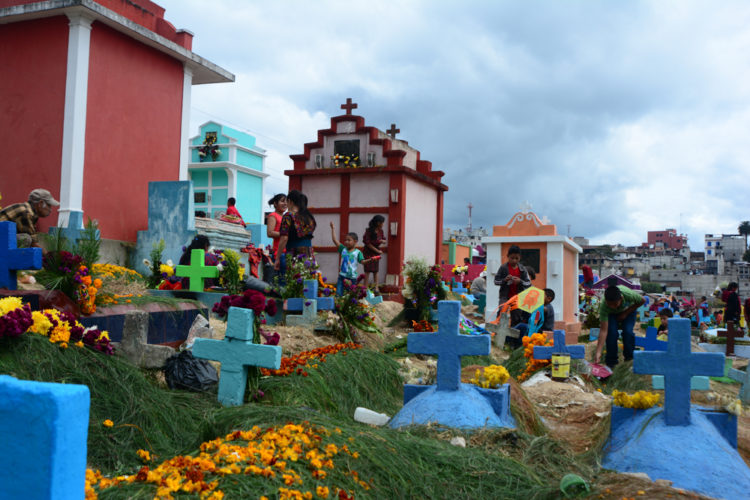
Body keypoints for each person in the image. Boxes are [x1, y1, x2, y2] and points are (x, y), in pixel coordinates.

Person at [594, 285, 645, 369]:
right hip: (612, 315)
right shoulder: (604, 307)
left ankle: (629, 360)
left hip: (629, 311)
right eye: (609, 304)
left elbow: (642, 300)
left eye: (614, 304)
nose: (612, 307)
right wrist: (598, 352)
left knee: (628, 332)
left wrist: (625, 313)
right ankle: (611, 363)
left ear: (621, 298)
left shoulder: (628, 294)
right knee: (611, 333)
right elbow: (603, 331)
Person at [330, 222, 375, 295]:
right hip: (342, 276)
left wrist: (371, 259)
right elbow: (335, 240)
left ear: (355, 241)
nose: (346, 242)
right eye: (345, 240)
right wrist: (333, 229)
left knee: (349, 295)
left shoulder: (358, 252)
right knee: (338, 293)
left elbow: (363, 262)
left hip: (352, 278)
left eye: (349, 240)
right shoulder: (343, 249)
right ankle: (338, 305)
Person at [275, 190, 316, 270]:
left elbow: (284, 238)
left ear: (290, 201)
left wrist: (277, 258)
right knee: (308, 278)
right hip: (309, 252)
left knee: (295, 279)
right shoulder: (309, 217)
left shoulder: (288, 216)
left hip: (295, 253)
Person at [493, 244, 532, 330]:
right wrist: (504, 280)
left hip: (517, 297)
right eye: (512, 258)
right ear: (507, 256)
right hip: (505, 296)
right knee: (502, 311)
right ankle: (498, 331)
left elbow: (528, 283)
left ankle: (513, 336)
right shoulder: (503, 268)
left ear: (520, 258)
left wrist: (520, 281)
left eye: (516, 258)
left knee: (517, 315)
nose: (514, 260)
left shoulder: (522, 269)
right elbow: (496, 281)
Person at [265, 194, 287, 281]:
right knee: (281, 280)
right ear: (275, 204)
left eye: (286, 201)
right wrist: (285, 234)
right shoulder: (273, 215)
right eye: (282, 201)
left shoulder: (285, 217)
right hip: (279, 253)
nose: (285, 203)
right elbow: (270, 233)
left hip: (287, 252)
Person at [362, 215, 386, 292]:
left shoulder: (381, 231)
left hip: (376, 252)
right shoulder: (368, 231)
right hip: (368, 251)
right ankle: (364, 288)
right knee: (367, 270)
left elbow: (383, 239)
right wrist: (377, 251)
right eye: (382, 223)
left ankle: (376, 287)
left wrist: (382, 241)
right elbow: (368, 243)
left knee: (376, 270)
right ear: (378, 223)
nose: (383, 224)